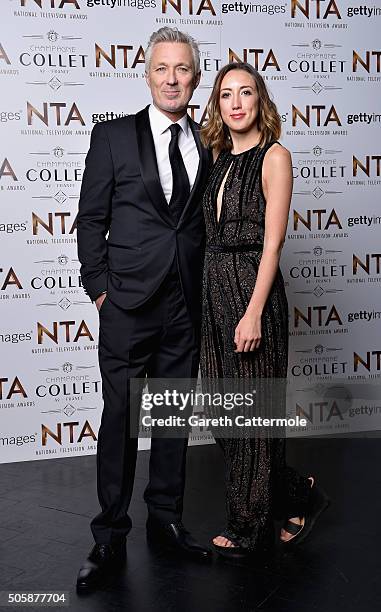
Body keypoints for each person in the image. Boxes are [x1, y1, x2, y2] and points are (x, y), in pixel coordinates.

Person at [76, 27, 212, 592]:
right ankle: (108, 535)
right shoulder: (111, 137)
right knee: (120, 418)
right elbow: (90, 219)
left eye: (183, 69)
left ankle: (166, 520)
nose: (173, 78)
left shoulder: (209, 141)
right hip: (127, 302)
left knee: (174, 416)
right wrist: (100, 287)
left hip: (185, 299)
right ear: (147, 73)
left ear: (195, 77)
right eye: (163, 68)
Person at [200, 62, 329, 558]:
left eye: (245, 92)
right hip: (214, 293)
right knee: (221, 412)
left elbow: (272, 245)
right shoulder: (217, 157)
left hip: (253, 293)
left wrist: (253, 311)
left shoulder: (275, 156)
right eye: (226, 94)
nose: (236, 103)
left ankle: (246, 525)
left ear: (260, 101)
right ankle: (299, 493)